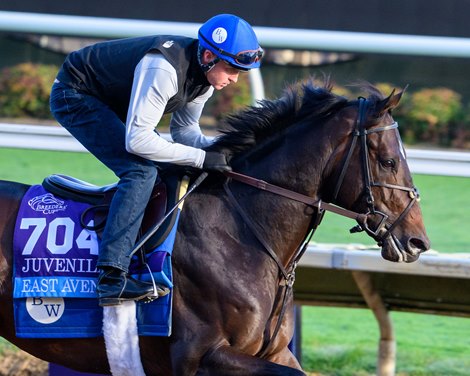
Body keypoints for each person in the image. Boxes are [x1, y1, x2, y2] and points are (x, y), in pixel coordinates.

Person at [49, 14, 263, 306]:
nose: (235, 78)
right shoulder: (163, 67)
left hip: (107, 100)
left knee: (167, 164)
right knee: (140, 171)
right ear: (210, 55)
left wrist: (222, 151)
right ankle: (112, 276)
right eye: (231, 69)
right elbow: (137, 141)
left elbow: (184, 131)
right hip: (75, 94)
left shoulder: (205, 78)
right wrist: (202, 158)